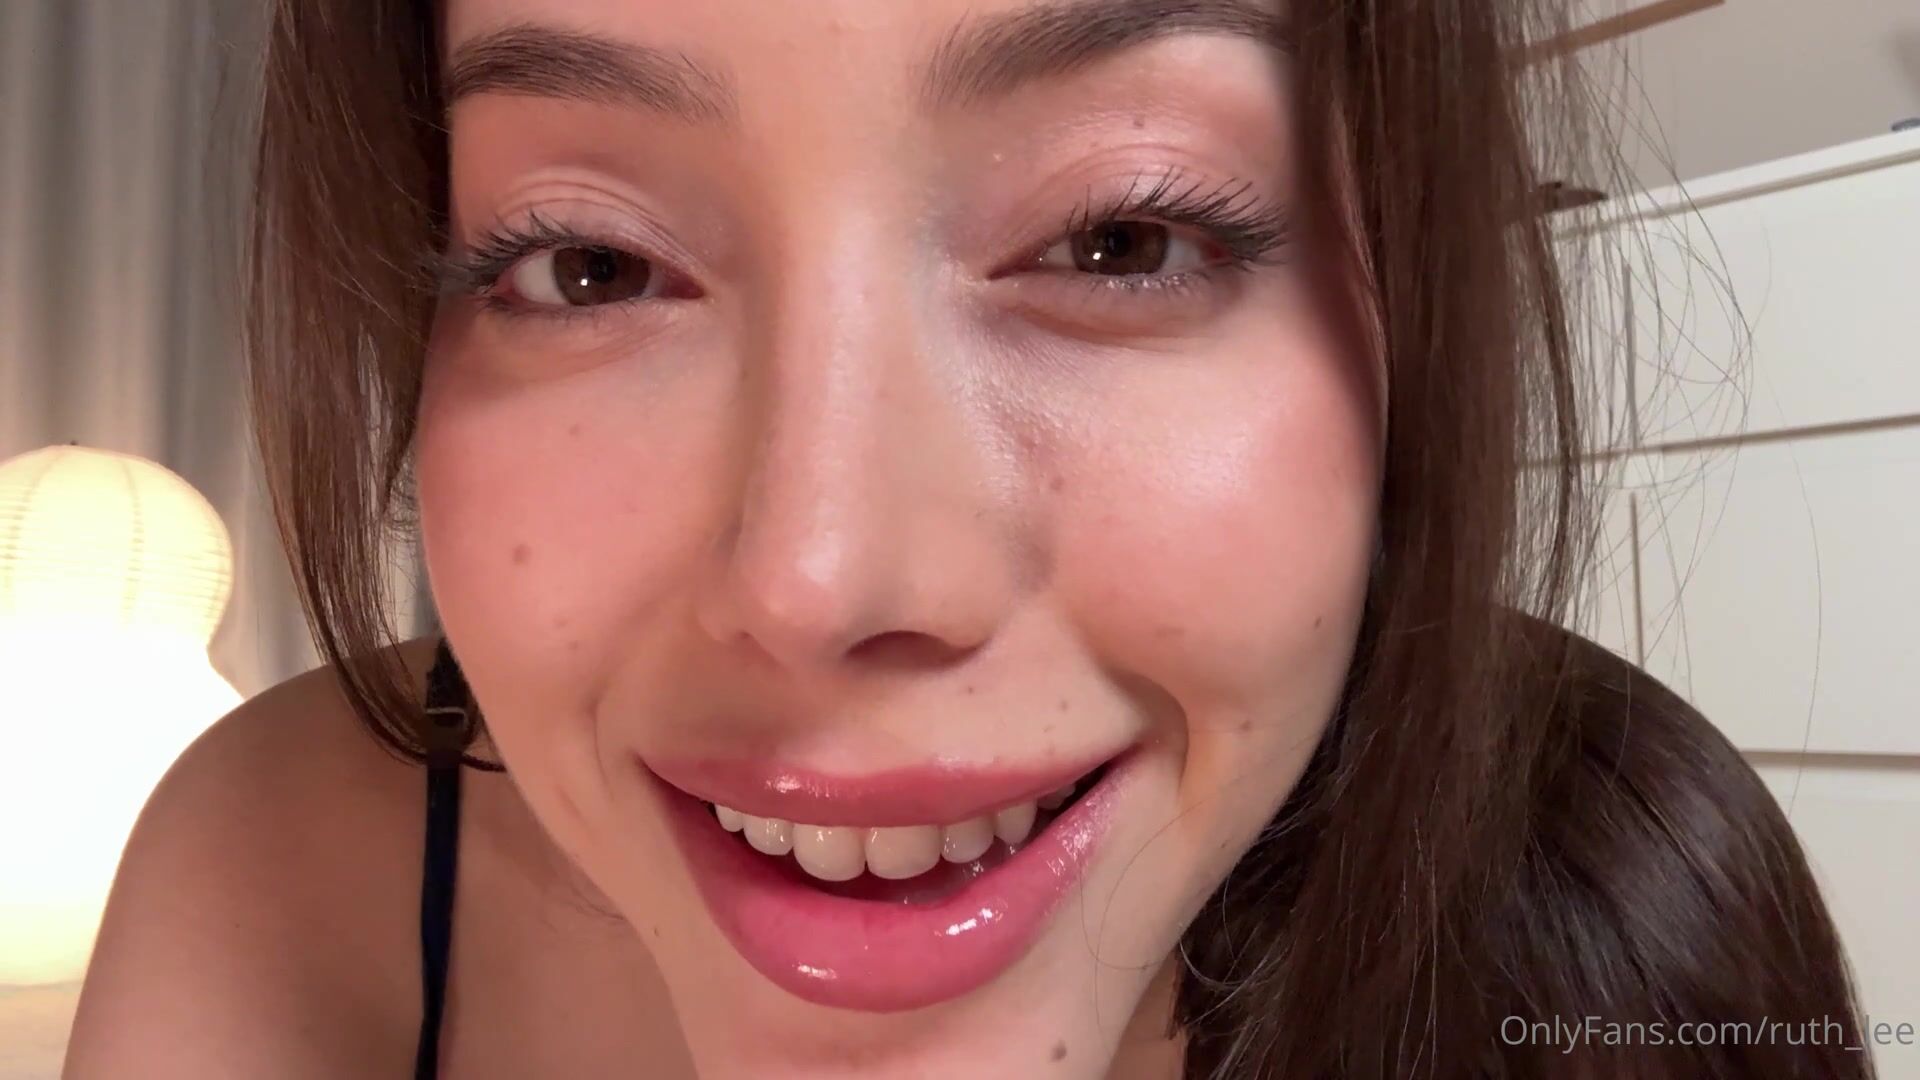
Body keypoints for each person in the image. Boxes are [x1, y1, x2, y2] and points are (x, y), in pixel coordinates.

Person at [66, 1, 1873, 1077]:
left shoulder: (1624, 928)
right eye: (589, 262)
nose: (817, 579)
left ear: (1407, 303)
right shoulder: (287, 874)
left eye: (1121, 239)